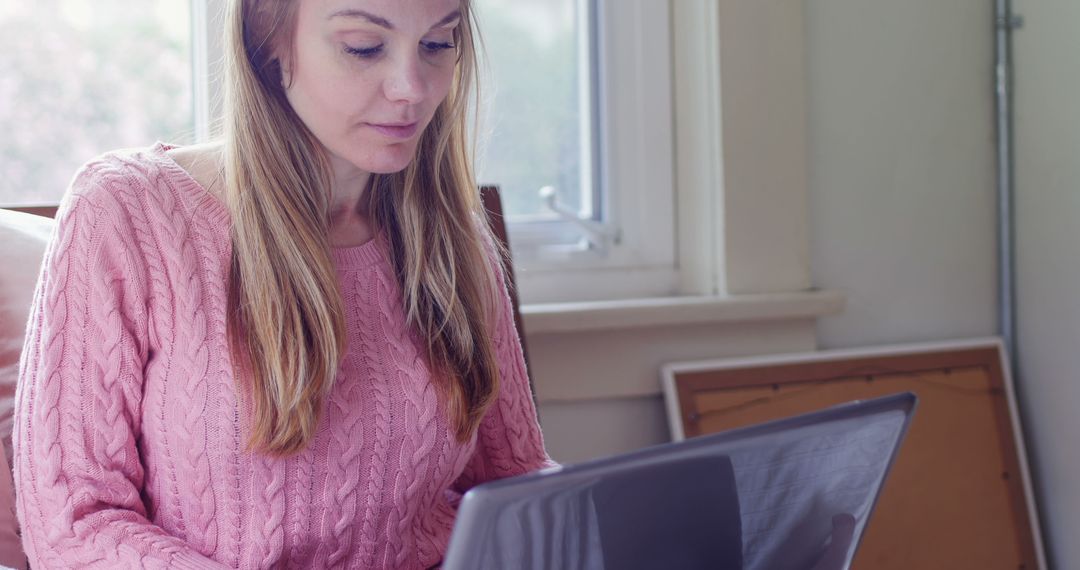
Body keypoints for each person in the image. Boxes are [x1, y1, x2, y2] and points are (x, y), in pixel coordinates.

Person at [13, 0, 555, 567]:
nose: (412, 88)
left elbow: (518, 485)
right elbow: (76, 522)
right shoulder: (127, 214)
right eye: (364, 47)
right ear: (268, 41)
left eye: (438, 44)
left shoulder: (453, 234)